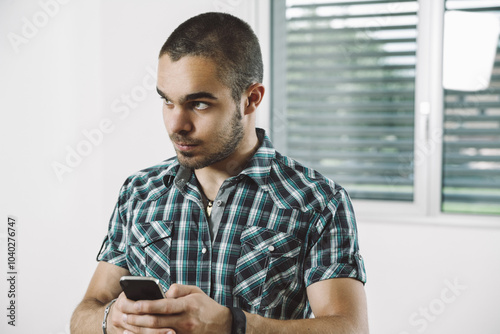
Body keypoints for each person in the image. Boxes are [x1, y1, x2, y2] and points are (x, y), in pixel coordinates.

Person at [70, 12, 368, 334]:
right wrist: (111, 320)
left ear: (251, 99)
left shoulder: (318, 200)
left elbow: (349, 328)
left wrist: (232, 325)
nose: (175, 125)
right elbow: (85, 313)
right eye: (167, 101)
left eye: (198, 104)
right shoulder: (139, 192)